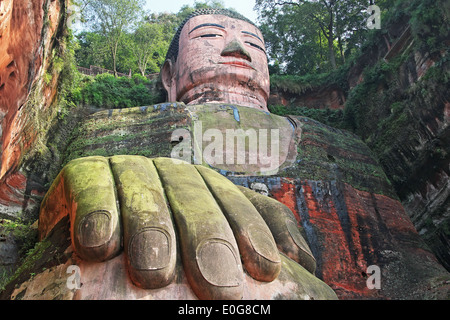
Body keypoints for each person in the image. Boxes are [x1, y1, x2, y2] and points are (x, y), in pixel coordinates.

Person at [34, 9, 337, 300]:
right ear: (169, 75)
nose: (237, 49)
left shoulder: (329, 144)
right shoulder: (119, 126)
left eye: (254, 43)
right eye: (209, 37)